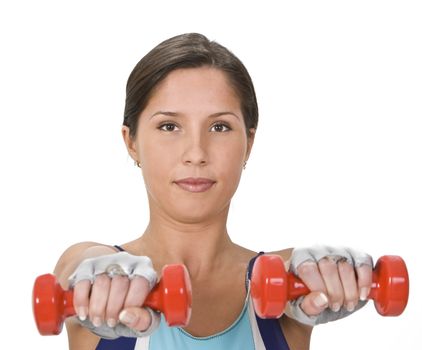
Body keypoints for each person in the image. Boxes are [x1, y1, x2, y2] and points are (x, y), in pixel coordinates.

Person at [53, 33, 373, 350]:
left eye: (219, 127)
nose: (196, 152)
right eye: (169, 126)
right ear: (131, 142)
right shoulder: (96, 276)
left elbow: (301, 269)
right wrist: (102, 275)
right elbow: (82, 262)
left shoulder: (287, 279)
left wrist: (336, 270)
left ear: (248, 143)